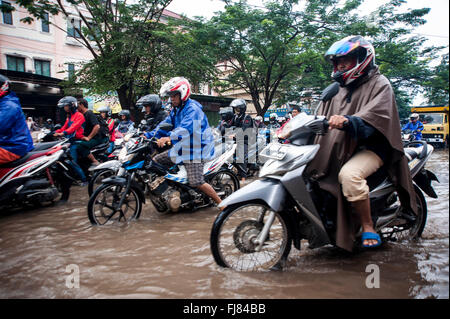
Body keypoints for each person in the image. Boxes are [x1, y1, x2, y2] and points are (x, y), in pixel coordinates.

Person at [305, 35, 417, 250]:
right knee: (309, 168)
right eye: (336, 62)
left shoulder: (380, 84)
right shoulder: (338, 88)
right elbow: (319, 117)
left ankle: (367, 226)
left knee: (349, 175)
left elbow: (375, 118)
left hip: (373, 147)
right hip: (343, 147)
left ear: (361, 58)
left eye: (344, 60)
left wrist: (349, 121)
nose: (339, 66)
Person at [147, 77, 223, 208]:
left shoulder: (193, 109)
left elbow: (185, 129)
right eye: (170, 96)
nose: (172, 98)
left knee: (196, 181)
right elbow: (164, 125)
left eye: (174, 95)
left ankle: (222, 204)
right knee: (155, 162)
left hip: (196, 149)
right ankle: (174, 192)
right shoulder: (176, 110)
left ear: (182, 93)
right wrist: (147, 135)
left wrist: (169, 138)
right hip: (182, 148)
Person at [70, 98, 109, 183]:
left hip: (96, 139)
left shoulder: (89, 113)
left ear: (82, 105)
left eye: (78, 105)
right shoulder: (80, 115)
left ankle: (94, 161)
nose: (76, 107)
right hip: (86, 137)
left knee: (81, 146)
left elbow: (97, 127)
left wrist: (89, 137)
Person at [0, 75, 34, 165]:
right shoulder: (4, 104)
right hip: (7, 144)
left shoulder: (8, 106)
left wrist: (63, 133)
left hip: (12, 147)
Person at [229, 98, 254, 182]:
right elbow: (229, 125)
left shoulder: (247, 117)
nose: (236, 110)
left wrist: (235, 134)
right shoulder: (235, 117)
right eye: (235, 108)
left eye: (238, 108)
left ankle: (243, 178)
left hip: (244, 141)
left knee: (241, 157)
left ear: (242, 108)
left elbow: (244, 129)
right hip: (236, 140)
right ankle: (235, 173)